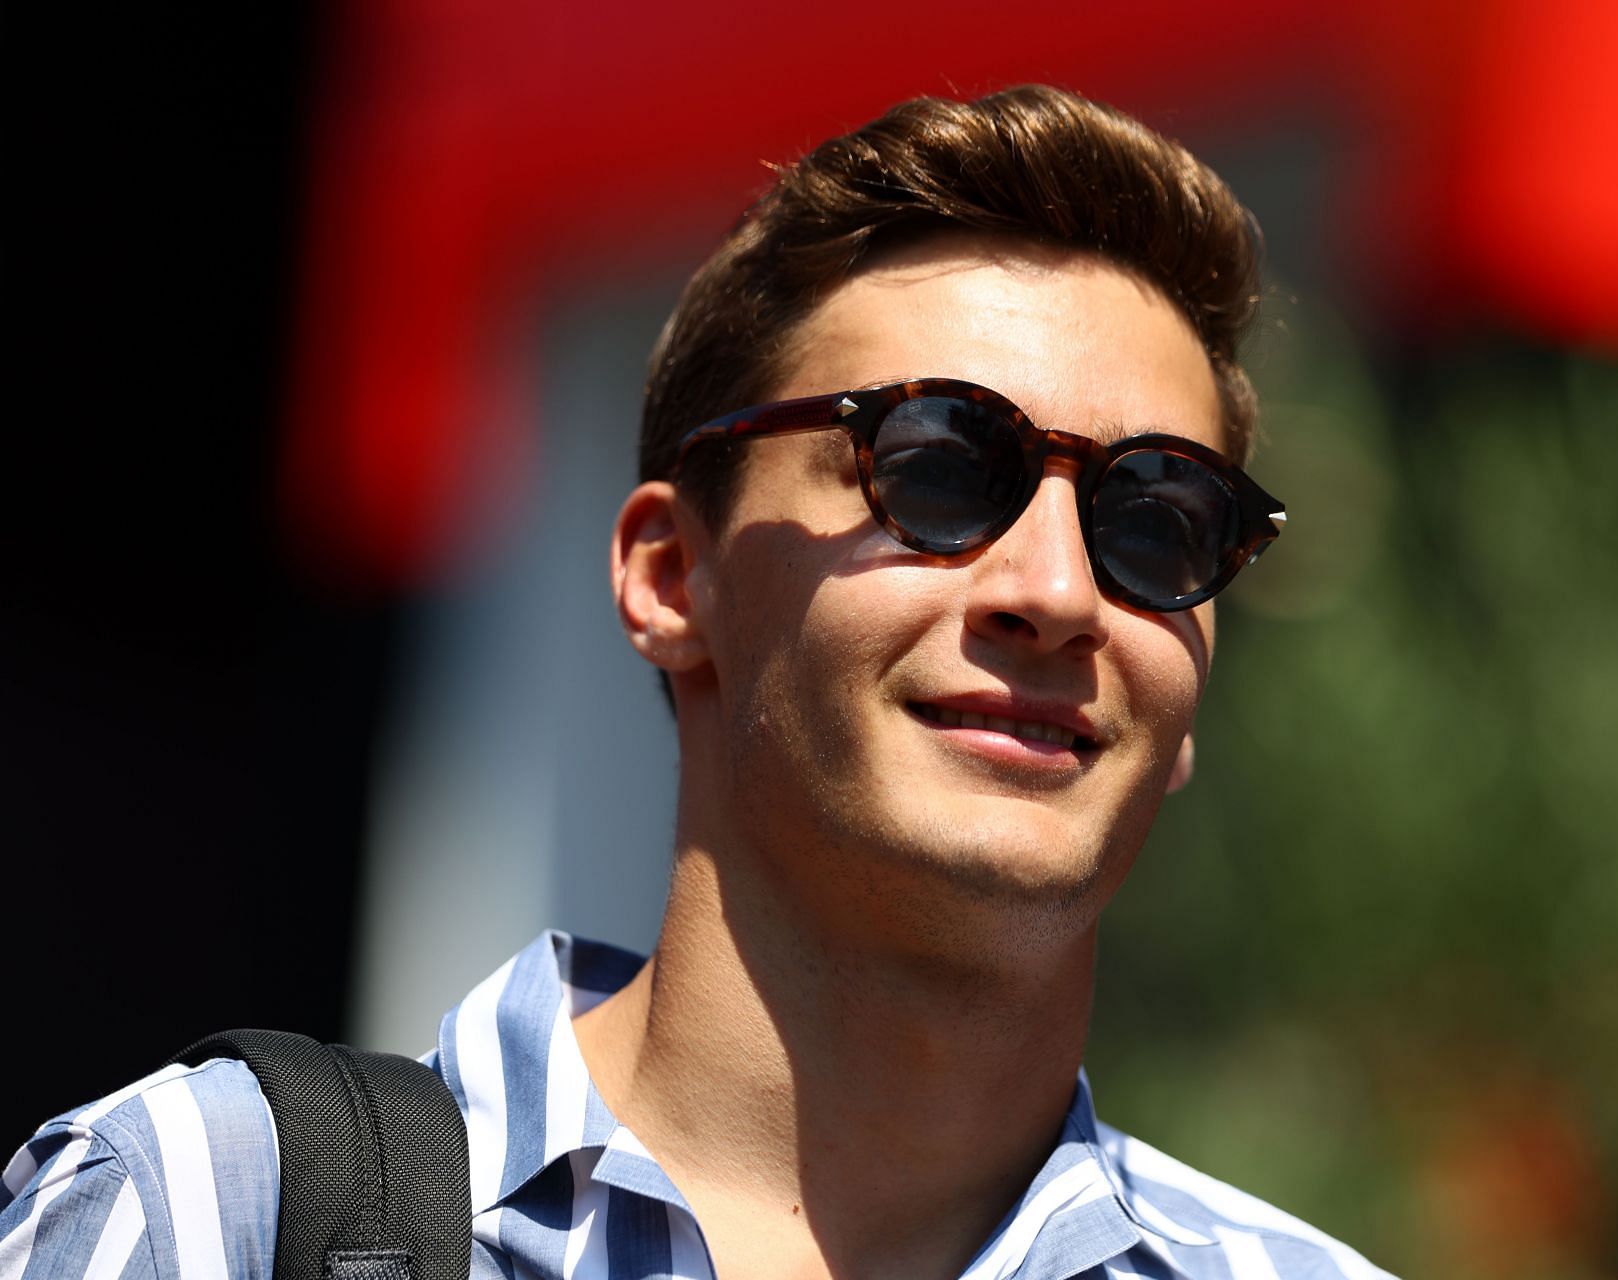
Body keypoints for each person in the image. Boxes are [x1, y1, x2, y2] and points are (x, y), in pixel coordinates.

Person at [1, 85, 1392, 1279]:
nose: (1056, 593)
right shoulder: (213, 1213)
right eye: (934, 467)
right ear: (672, 576)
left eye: (1157, 521)